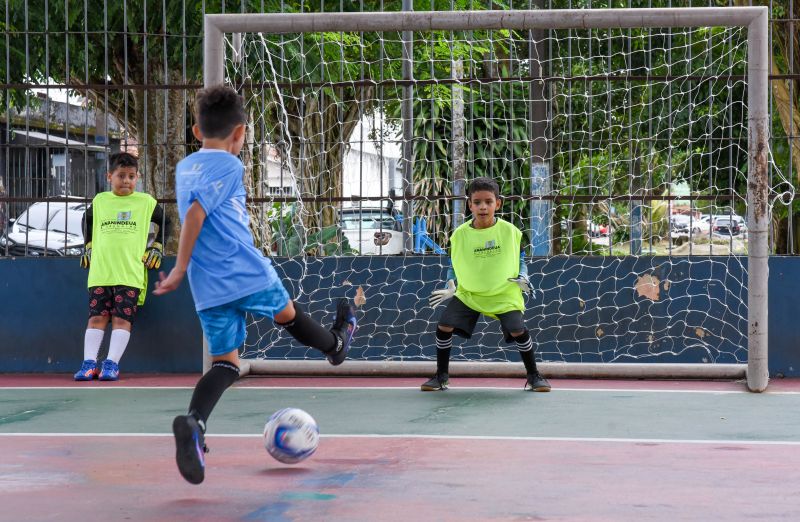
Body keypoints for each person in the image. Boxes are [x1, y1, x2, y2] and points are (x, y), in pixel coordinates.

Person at [153, 85, 357, 485]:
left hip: (207, 284)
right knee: (288, 314)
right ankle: (336, 345)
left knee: (226, 363)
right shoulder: (230, 167)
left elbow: (192, 212)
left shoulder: (184, 167)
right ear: (241, 133)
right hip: (243, 270)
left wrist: (186, 270)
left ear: (196, 132)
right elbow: (194, 216)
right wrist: (177, 267)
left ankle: (195, 423)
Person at [425, 177, 550, 392]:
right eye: (477, 202)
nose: (483, 206)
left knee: (518, 330)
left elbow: (521, 260)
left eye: (488, 202)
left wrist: (524, 277)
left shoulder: (511, 232)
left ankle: (534, 376)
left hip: (504, 293)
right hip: (469, 293)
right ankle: (441, 376)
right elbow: (453, 263)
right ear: (469, 204)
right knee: (444, 326)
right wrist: (450, 283)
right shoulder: (459, 235)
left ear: (498, 204)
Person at [74, 152, 167, 382]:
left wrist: (157, 246)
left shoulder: (145, 202)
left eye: (131, 176)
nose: (126, 180)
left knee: (121, 320)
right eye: (121, 175)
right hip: (100, 273)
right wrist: (88, 244)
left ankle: (111, 365)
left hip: (130, 274)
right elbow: (87, 220)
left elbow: (166, 221)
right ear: (109, 176)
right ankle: (88, 364)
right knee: (96, 318)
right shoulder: (100, 200)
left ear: (138, 177)